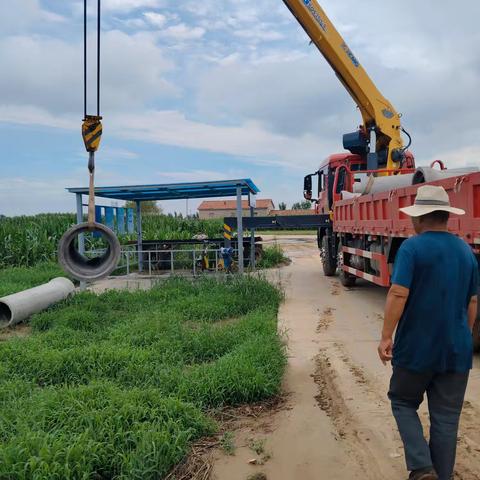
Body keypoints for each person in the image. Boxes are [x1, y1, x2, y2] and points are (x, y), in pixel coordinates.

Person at [377, 185, 478, 480]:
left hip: (416, 350)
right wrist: (463, 337)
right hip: (456, 352)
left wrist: (386, 336)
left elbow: (398, 293)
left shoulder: (412, 247)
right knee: (446, 420)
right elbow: (472, 301)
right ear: (445, 216)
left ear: (419, 218)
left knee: (402, 401)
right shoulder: (465, 251)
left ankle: (421, 467)